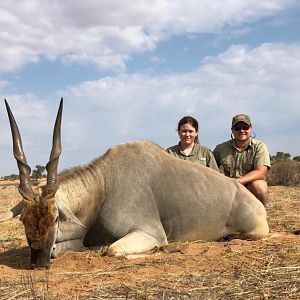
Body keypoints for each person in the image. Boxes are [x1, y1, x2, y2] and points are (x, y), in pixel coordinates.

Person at [213, 114, 271, 206]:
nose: (242, 130)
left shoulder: (259, 146)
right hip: (227, 187)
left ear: (251, 128)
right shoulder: (221, 148)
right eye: (237, 128)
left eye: (245, 127)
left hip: (249, 187)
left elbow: (261, 171)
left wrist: (237, 182)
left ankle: (260, 216)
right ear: (232, 130)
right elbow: (210, 167)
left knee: (260, 187)